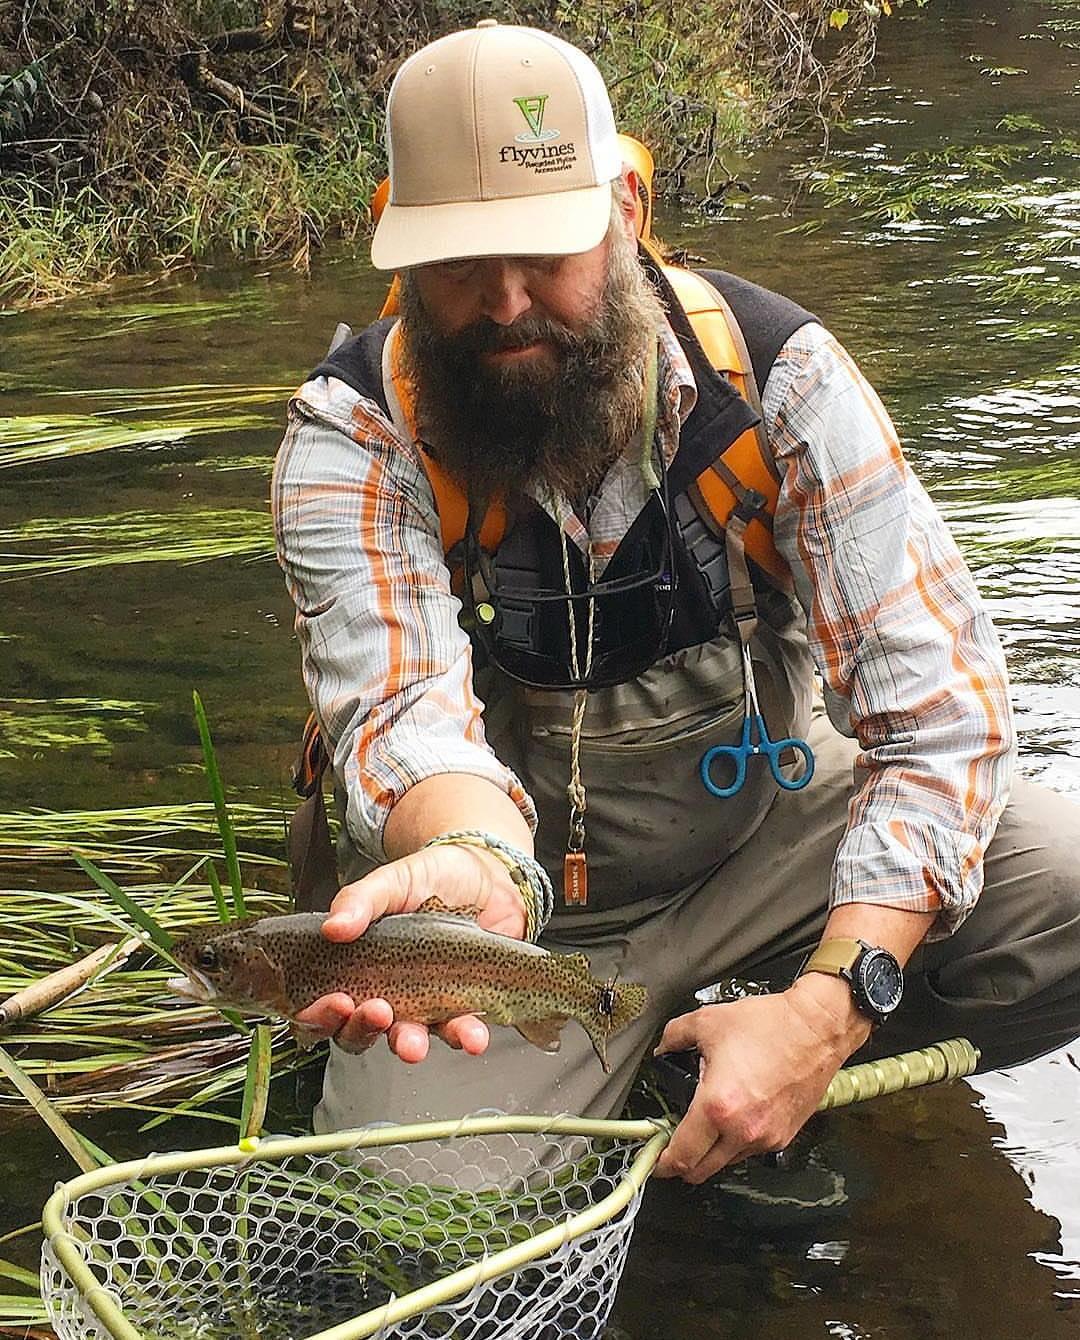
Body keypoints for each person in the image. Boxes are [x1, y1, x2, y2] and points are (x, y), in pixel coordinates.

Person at [271, 20, 1080, 1183]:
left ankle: (768, 1065)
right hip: (506, 925)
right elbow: (404, 721)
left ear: (629, 210)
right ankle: (639, 1069)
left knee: (1067, 894)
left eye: (547, 251)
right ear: (396, 250)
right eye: (462, 264)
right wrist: (471, 861)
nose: (507, 304)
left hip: (771, 847)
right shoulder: (350, 439)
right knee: (405, 1203)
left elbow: (941, 721)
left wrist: (830, 1010)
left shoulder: (782, 381)